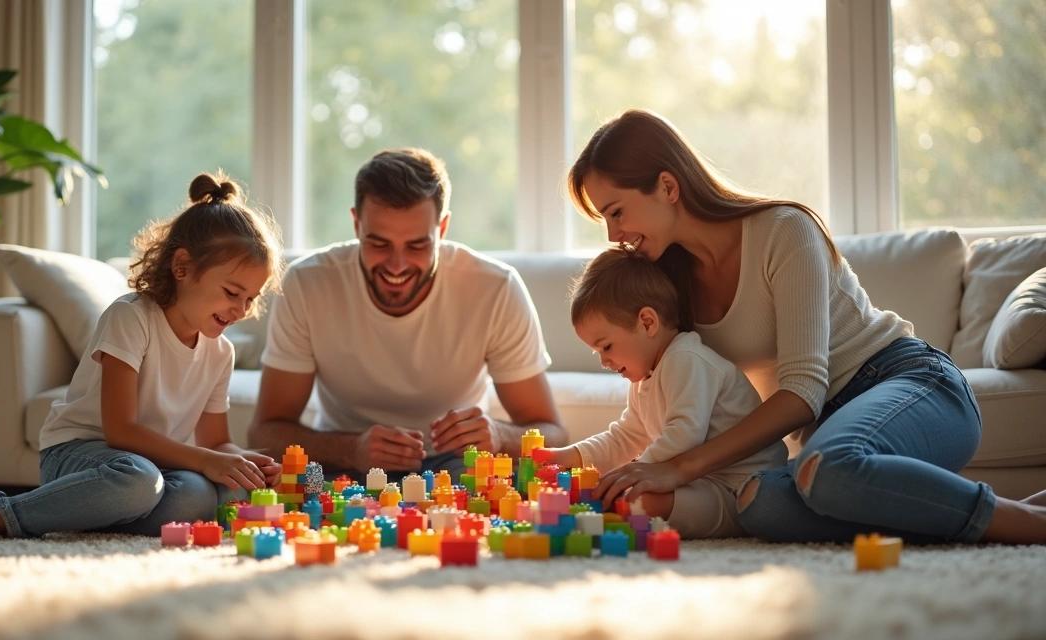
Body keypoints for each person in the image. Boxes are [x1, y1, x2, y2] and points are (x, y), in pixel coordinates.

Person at [566, 108, 1046, 544]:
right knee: (759, 505)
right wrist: (566, 459)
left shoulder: (784, 230)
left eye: (616, 212)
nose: (613, 234)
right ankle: (983, 511)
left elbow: (802, 392)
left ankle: (1027, 523)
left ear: (668, 187)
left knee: (832, 468)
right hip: (823, 441)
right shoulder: (669, 284)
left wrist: (677, 468)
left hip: (911, 385)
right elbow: (649, 406)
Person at [0, 172, 284, 540]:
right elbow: (120, 430)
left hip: (149, 468)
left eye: (250, 298)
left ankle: (79, 509)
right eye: (232, 292)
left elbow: (215, 443)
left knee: (198, 496)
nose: (241, 309)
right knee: (139, 482)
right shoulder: (132, 317)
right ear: (182, 267)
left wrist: (243, 461)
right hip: (78, 454)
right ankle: (2, 514)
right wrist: (206, 460)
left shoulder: (220, 353)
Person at [249, 148, 567, 479]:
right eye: (379, 244)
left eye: (417, 246)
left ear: (442, 229)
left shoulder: (496, 288)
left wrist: (500, 436)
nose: (397, 266)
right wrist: (351, 449)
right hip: (342, 463)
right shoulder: (307, 283)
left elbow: (554, 432)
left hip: (455, 464)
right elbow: (264, 432)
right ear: (356, 224)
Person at [536, 247, 787, 538]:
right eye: (597, 352)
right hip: (699, 482)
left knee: (636, 500)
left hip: (741, 489)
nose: (604, 361)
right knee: (627, 497)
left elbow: (685, 433)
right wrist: (571, 455)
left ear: (647, 322)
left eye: (606, 347)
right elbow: (625, 436)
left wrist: (636, 471)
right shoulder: (643, 378)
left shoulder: (685, 358)